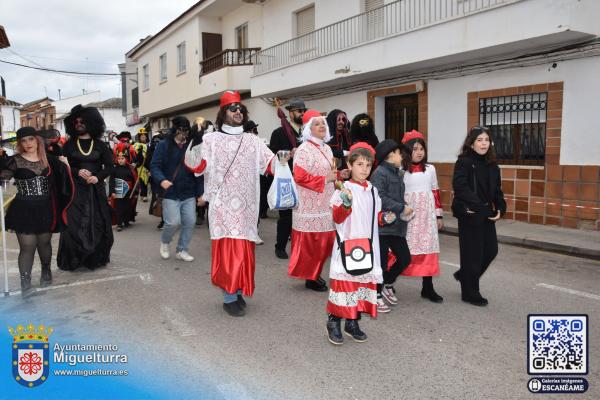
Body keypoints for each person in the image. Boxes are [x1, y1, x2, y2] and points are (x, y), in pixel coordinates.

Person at [191, 90, 279, 317]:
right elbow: (197, 167)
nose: (238, 111)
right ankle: (229, 296)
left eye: (240, 108)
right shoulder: (210, 140)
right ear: (223, 113)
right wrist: (196, 141)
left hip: (248, 207)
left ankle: (238, 290)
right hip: (222, 206)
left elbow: (270, 164)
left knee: (245, 251)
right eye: (233, 108)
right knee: (230, 251)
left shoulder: (253, 141)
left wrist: (286, 161)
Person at [0, 127, 72, 296]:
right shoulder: (14, 161)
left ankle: (46, 271)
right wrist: (2, 180)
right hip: (23, 208)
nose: (28, 144)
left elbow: (63, 179)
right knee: (27, 246)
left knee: (44, 243)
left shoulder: (49, 160)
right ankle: (26, 284)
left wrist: (66, 165)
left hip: (46, 207)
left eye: (31, 139)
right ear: (19, 143)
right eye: (23, 141)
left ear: (37, 140)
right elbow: (4, 177)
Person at [326, 143, 385, 345]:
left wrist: (385, 218)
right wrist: (346, 204)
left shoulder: (373, 190)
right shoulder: (344, 189)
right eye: (360, 164)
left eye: (368, 165)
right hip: (349, 243)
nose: (364, 169)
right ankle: (334, 321)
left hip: (368, 245)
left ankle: (353, 321)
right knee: (346, 284)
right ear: (350, 166)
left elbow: (374, 217)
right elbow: (337, 217)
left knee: (361, 284)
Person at [289, 110, 349, 292]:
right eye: (317, 124)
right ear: (308, 129)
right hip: (309, 206)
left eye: (323, 123)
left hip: (325, 203)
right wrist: (326, 179)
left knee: (324, 244)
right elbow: (299, 177)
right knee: (312, 245)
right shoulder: (303, 150)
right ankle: (311, 277)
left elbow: (328, 172)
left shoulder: (327, 148)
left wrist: (340, 175)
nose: (322, 126)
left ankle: (314, 274)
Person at [452, 126, 505, 306]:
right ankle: (470, 292)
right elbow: (460, 187)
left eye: (486, 140)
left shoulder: (492, 165)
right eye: (480, 140)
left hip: (486, 214)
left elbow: (497, 189)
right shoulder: (464, 162)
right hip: (470, 213)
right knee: (472, 256)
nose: (484, 143)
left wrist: (500, 206)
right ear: (472, 143)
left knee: (491, 251)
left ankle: (464, 276)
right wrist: (478, 205)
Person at [400, 130, 444, 303]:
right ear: (407, 151)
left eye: (422, 149)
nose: (419, 152)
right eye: (415, 148)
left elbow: (435, 192)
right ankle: (388, 283)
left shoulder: (430, 169)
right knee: (402, 250)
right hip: (408, 217)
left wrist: (439, 216)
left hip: (427, 217)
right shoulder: (401, 170)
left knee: (428, 250)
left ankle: (428, 287)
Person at [150, 116, 203, 262]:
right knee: (173, 222)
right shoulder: (163, 145)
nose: (183, 134)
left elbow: (198, 171)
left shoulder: (191, 146)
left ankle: (182, 250)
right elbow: (154, 166)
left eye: (186, 131)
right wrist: (162, 180)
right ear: (174, 130)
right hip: (170, 192)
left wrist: (200, 194)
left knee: (190, 222)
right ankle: (165, 242)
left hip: (188, 191)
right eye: (181, 130)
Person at [371, 139, 413, 313]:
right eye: (397, 152)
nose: (401, 155)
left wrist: (405, 208)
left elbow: (396, 196)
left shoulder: (397, 173)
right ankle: (376, 294)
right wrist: (402, 207)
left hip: (397, 225)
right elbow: (379, 198)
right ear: (389, 156)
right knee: (380, 263)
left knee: (405, 258)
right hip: (382, 227)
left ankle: (387, 283)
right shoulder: (380, 173)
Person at [269, 98, 306, 259]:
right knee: (286, 217)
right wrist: (288, 154)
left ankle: (301, 247)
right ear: (290, 113)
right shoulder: (279, 133)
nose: (302, 114)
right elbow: (273, 156)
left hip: (305, 180)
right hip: (287, 178)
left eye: (303, 111)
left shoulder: (307, 132)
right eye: (299, 111)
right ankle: (280, 246)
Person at [109, 143, 138, 232]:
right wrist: (112, 192)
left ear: (126, 159)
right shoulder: (114, 169)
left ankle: (126, 221)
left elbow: (135, 181)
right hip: (118, 190)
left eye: (122, 158)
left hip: (129, 191)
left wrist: (136, 192)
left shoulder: (130, 169)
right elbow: (111, 181)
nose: (120, 160)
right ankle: (119, 223)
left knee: (127, 206)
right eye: (119, 158)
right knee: (119, 207)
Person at [133, 128, 149, 202]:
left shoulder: (149, 145)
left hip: (148, 164)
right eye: (141, 136)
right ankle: (143, 195)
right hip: (140, 166)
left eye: (144, 136)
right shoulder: (136, 145)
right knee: (142, 180)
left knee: (149, 181)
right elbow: (134, 156)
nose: (143, 137)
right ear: (139, 137)